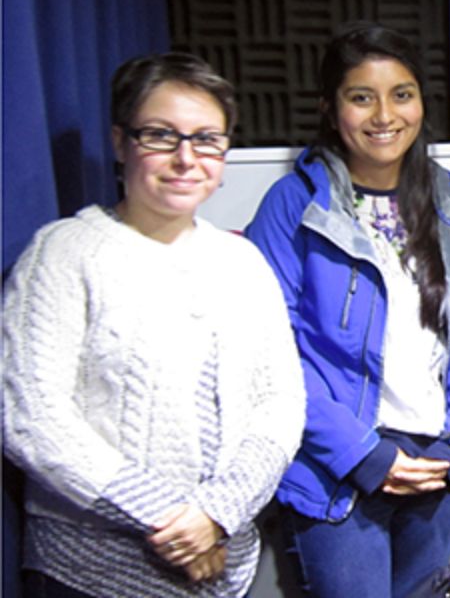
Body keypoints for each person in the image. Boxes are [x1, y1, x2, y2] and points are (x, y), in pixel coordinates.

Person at [2, 52, 306, 597]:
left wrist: (217, 513)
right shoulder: (63, 253)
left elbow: (280, 405)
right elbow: (32, 416)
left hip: (222, 564)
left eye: (206, 139)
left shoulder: (243, 263)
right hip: (89, 574)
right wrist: (173, 521)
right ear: (121, 142)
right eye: (162, 136)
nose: (186, 158)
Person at [244, 22, 450, 598]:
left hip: (434, 464)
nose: (385, 115)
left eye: (402, 94)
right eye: (362, 97)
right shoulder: (293, 205)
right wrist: (363, 454)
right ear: (330, 110)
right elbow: (270, 353)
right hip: (336, 468)